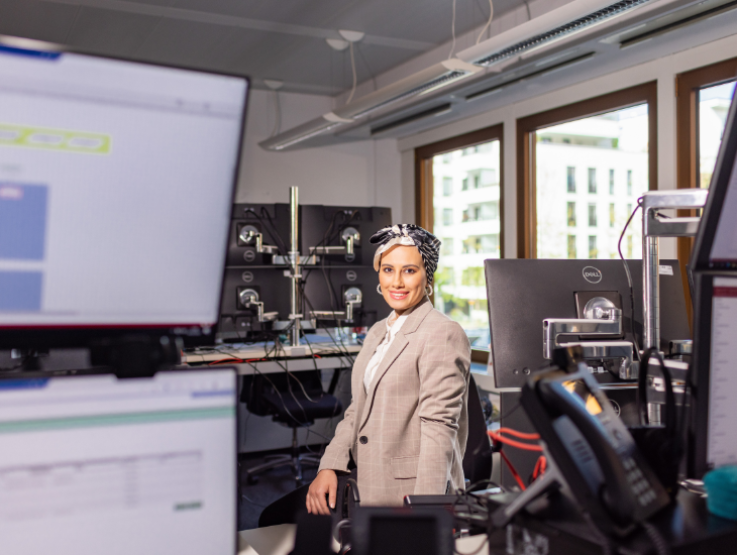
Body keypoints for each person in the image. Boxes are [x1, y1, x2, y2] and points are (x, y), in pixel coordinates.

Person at [305, 224, 471, 514]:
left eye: (409, 270)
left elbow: (438, 429)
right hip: (368, 479)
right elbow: (359, 408)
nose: (396, 282)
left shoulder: (442, 333)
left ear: (427, 276)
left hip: (411, 493)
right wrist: (330, 464)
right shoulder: (379, 331)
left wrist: (425, 512)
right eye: (388, 270)